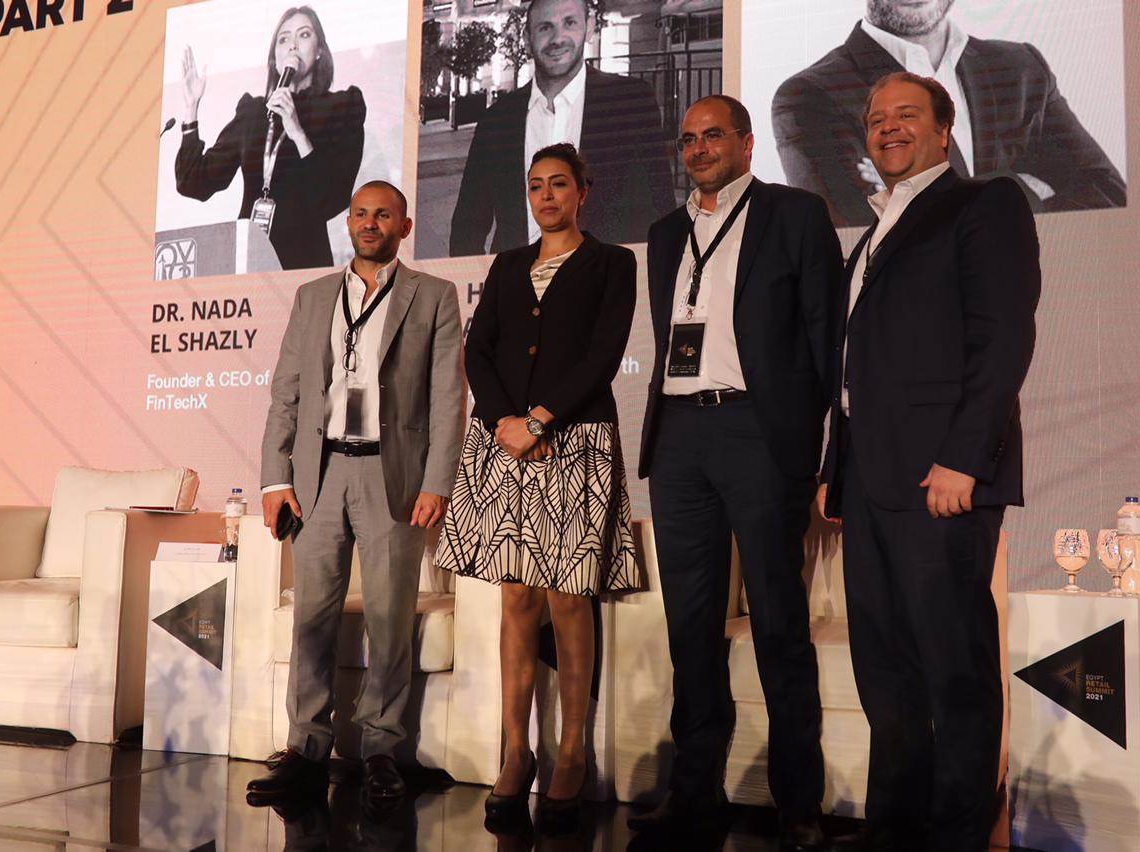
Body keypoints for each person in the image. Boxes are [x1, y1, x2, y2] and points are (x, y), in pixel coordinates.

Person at [817, 72, 1039, 850]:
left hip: (942, 480)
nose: (888, 127)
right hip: (871, 482)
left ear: (944, 130)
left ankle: (957, 834)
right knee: (886, 674)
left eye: (906, 115)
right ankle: (895, 828)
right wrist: (835, 470)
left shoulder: (984, 203)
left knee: (955, 671)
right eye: (876, 118)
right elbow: (858, 365)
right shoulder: (874, 229)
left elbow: (1003, 338)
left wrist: (964, 461)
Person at [630, 95, 842, 850]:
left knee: (780, 621)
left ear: (748, 144)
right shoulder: (665, 233)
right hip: (679, 436)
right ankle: (694, 793)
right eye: (688, 138)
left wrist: (820, 448)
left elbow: (826, 341)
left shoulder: (796, 215)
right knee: (689, 626)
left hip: (759, 433)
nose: (698, 148)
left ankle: (797, 803)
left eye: (713, 135)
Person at [435, 142, 641, 834]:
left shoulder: (613, 263)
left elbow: (603, 355)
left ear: (583, 191)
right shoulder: (507, 264)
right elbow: (479, 349)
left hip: (576, 440)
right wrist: (505, 421)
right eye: (535, 186)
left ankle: (573, 751)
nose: (546, 196)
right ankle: (516, 751)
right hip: (502, 443)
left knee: (570, 598)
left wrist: (541, 419)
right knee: (517, 595)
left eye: (558, 184)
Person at [249, 180, 464, 805]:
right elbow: (286, 392)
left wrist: (437, 481)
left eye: (384, 215)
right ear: (348, 222)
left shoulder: (433, 295)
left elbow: (448, 398)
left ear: (404, 226)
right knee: (312, 617)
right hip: (318, 475)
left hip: (391, 474)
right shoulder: (313, 295)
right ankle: (306, 747)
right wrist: (275, 477)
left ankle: (380, 750)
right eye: (361, 214)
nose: (371, 223)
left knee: (390, 616)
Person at [770, 0, 1126, 227]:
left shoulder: (1021, 68)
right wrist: (1026, 188)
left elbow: (1109, 194)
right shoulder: (810, 97)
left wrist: (924, 200)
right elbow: (863, 239)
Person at [448, 0, 674, 257]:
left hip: (603, 276)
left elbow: (660, 209)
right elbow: (467, 228)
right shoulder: (496, 121)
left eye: (569, 23)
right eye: (545, 27)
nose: (557, 38)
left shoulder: (631, 103)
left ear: (589, 28)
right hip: (519, 277)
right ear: (527, 38)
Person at [176, 5, 366, 270]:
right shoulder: (253, 112)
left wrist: (297, 132)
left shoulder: (342, 107)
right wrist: (191, 108)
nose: (292, 45)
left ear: (320, 51)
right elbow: (194, 183)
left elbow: (332, 198)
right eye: (283, 39)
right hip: (248, 262)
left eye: (304, 35)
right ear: (275, 58)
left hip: (304, 264)